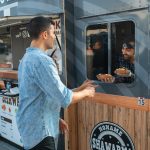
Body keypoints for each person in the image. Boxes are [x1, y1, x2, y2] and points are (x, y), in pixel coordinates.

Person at [16, 16, 97, 150]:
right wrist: (86, 92)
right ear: (45, 34)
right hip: (41, 134)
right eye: (53, 33)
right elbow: (65, 97)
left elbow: (45, 94)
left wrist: (54, 118)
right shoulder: (42, 60)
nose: (54, 37)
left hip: (31, 129)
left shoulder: (26, 58)